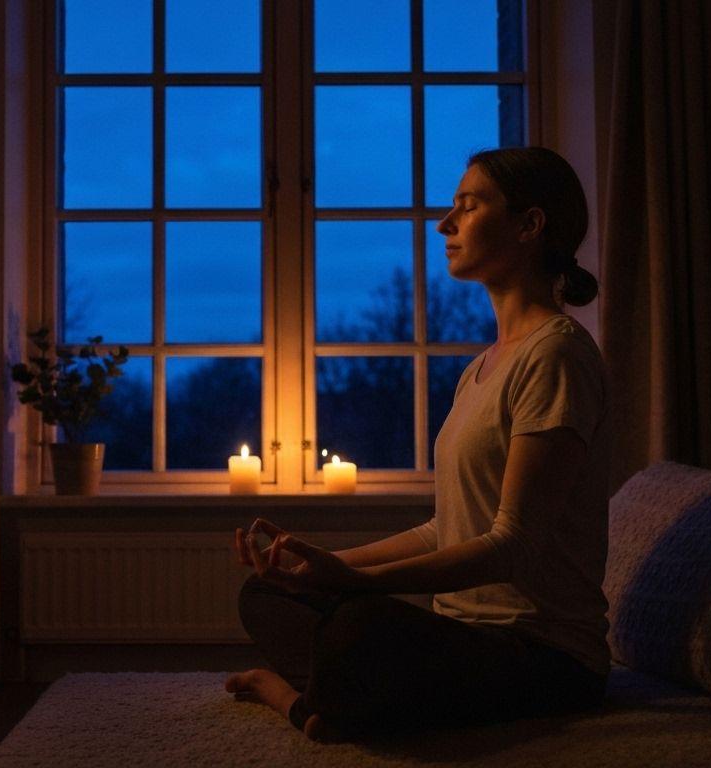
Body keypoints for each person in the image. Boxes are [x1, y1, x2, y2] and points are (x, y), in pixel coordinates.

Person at [226, 146, 609, 743]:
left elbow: (512, 546)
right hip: (460, 633)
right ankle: (339, 698)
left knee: (362, 626)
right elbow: (445, 529)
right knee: (267, 592)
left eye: (468, 205)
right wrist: (322, 568)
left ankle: (304, 704)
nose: (445, 224)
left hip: (542, 654)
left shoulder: (556, 355)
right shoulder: (480, 368)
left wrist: (354, 585)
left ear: (530, 225)